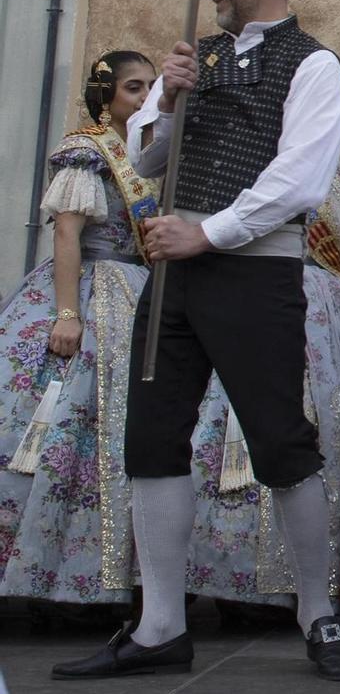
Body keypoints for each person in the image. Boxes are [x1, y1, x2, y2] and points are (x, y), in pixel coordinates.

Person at [52, 0, 340, 681]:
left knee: (281, 441)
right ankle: (160, 624)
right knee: (153, 438)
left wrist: (211, 233)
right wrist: (166, 99)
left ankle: (317, 613)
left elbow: (300, 178)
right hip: (175, 273)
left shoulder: (314, 65)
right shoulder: (199, 57)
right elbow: (147, 158)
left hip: (254, 271)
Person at [1, 52, 157, 611]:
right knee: (61, 419)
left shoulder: (143, 157)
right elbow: (67, 234)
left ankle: (107, 570)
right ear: (106, 94)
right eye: (134, 88)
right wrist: (68, 313)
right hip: (89, 289)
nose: (144, 99)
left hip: (135, 290)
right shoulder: (86, 152)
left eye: (150, 89)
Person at [187, 164, 340, 617]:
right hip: (265, 298)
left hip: (333, 320)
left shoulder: (334, 177)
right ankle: (240, 578)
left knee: (326, 440)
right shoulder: (249, 157)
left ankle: (307, 581)